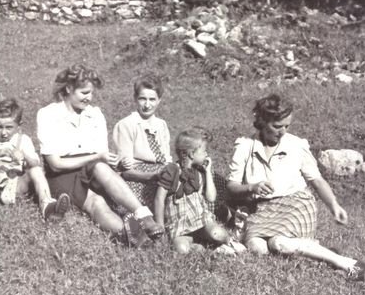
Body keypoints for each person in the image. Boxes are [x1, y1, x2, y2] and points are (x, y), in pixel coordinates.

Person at [226, 93, 365, 281]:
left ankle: (347, 263)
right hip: (261, 209)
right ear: (262, 121)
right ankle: (315, 252)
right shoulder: (245, 146)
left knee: (279, 243)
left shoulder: (296, 145)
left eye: (287, 126)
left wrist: (334, 205)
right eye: (277, 126)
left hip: (295, 203)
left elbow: (317, 180)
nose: (282, 131)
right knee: (257, 248)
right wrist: (251, 187)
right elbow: (231, 186)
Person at [36, 64, 165, 248]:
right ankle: (131, 236)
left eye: (91, 93)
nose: (89, 98)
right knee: (96, 201)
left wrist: (112, 162)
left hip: (95, 169)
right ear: (68, 88)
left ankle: (143, 216)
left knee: (101, 167)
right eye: (84, 92)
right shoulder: (49, 114)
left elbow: (101, 154)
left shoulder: (95, 115)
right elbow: (55, 164)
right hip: (62, 174)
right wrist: (96, 156)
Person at [0, 98, 70, 225]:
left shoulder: (23, 140)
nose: (4, 132)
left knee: (36, 170)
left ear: (19, 125)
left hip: (17, 185)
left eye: (9, 127)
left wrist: (24, 156)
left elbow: (35, 163)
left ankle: (47, 205)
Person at [154, 127, 244, 254]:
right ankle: (211, 250)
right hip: (179, 224)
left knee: (217, 233)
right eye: (204, 151)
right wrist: (160, 226)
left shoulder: (200, 171)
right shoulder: (172, 170)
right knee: (181, 248)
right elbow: (159, 198)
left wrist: (208, 171)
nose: (207, 154)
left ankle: (230, 241)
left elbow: (211, 198)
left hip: (201, 220)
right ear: (191, 154)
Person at [112, 73, 172, 211]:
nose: (147, 104)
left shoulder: (161, 125)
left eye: (152, 99)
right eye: (142, 99)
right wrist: (153, 176)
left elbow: (166, 158)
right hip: (139, 176)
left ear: (159, 100)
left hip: (162, 171)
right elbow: (127, 170)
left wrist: (169, 172)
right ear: (135, 99)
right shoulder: (127, 125)